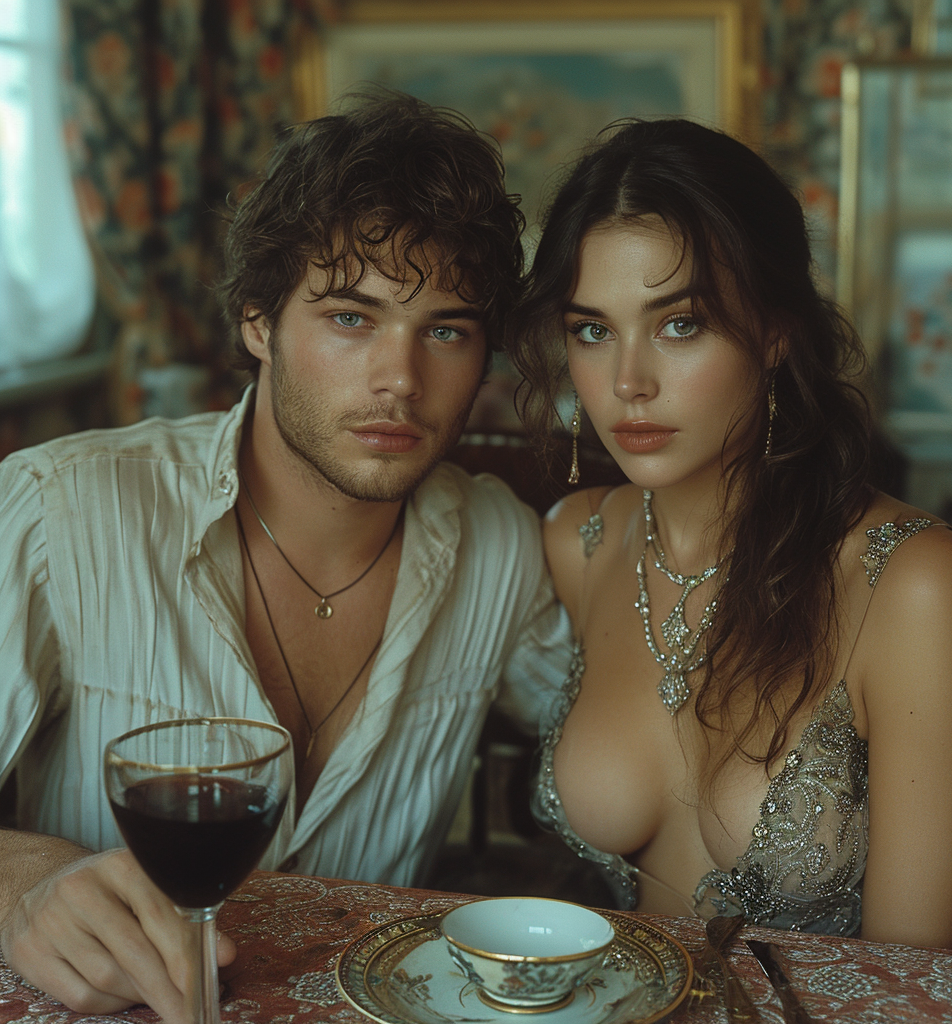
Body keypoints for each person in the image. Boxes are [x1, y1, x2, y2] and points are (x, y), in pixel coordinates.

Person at [0, 93, 570, 1019]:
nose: (401, 378)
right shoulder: (62, 510)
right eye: (352, 318)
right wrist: (19, 879)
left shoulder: (499, 546)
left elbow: (648, 738)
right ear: (258, 323)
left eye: (447, 330)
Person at [510, 117, 952, 949]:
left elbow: (922, 984)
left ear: (775, 330)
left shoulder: (910, 585)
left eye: (680, 323)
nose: (627, 381)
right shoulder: (578, 543)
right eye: (593, 330)